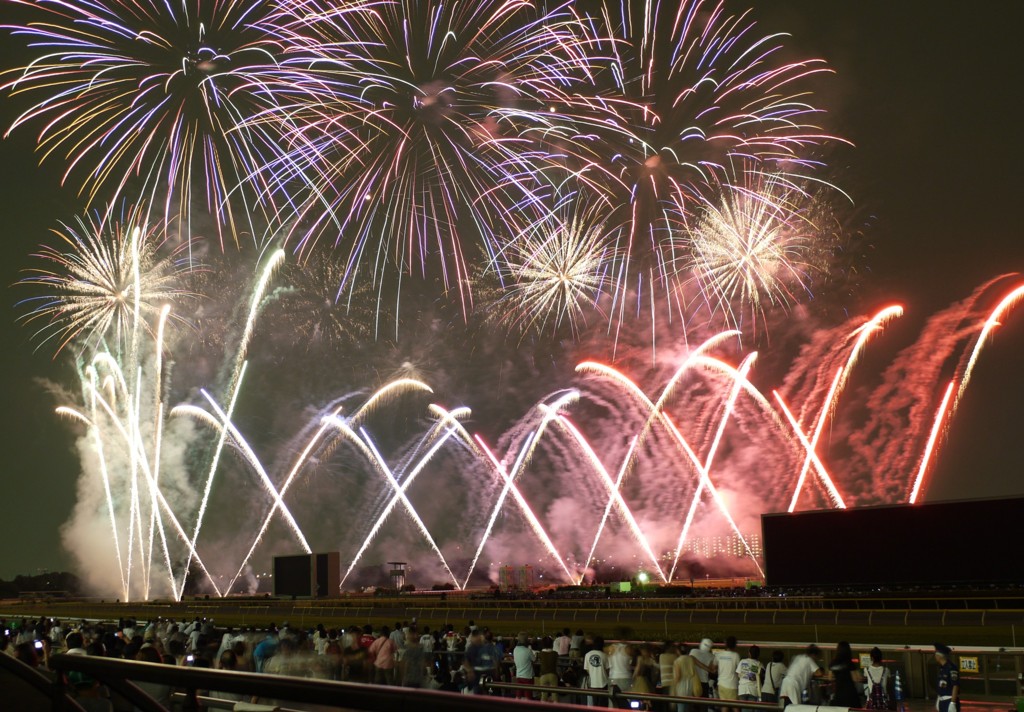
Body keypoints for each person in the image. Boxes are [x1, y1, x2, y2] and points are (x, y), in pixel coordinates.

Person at [830, 641, 864, 707]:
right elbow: (856, 678)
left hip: (838, 693)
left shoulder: (833, 663)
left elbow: (830, 677)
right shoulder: (849, 663)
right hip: (850, 693)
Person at [673, 643, 701, 712]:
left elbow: (678, 676)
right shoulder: (691, 659)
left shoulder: (677, 661)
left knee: (681, 709)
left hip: (680, 690)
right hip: (689, 689)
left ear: (678, 651)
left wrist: (673, 687)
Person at [716, 636, 741, 709]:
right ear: (735, 645)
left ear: (726, 644)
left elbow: (713, 666)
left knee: (724, 707)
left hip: (721, 684)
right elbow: (739, 671)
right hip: (731, 685)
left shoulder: (719, 654)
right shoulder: (736, 655)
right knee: (735, 707)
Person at [584, 636, 609, 707]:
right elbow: (607, 670)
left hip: (593, 683)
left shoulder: (587, 655)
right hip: (603, 683)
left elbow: (587, 669)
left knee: (594, 704)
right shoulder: (604, 655)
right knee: (602, 705)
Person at [934, 644, 960, 712]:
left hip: (949, 701)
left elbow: (955, 685)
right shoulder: (942, 668)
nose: (935, 656)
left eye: (936, 654)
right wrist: (938, 699)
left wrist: (952, 703)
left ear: (940, 656)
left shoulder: (951, 668)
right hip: (942, 701)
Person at [736, 645, 761, 711]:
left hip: (742, 689)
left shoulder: (742, 661)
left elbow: (738, 674)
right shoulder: (758, 664)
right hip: (753, 690)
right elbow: (760, 677)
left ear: (749, 653)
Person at [512, 632, 537, 699]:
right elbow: (534, 660)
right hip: (528, 676)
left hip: (519, 675)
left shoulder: (515, 649)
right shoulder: (528, 650)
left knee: (518, 696)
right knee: (528, 696)